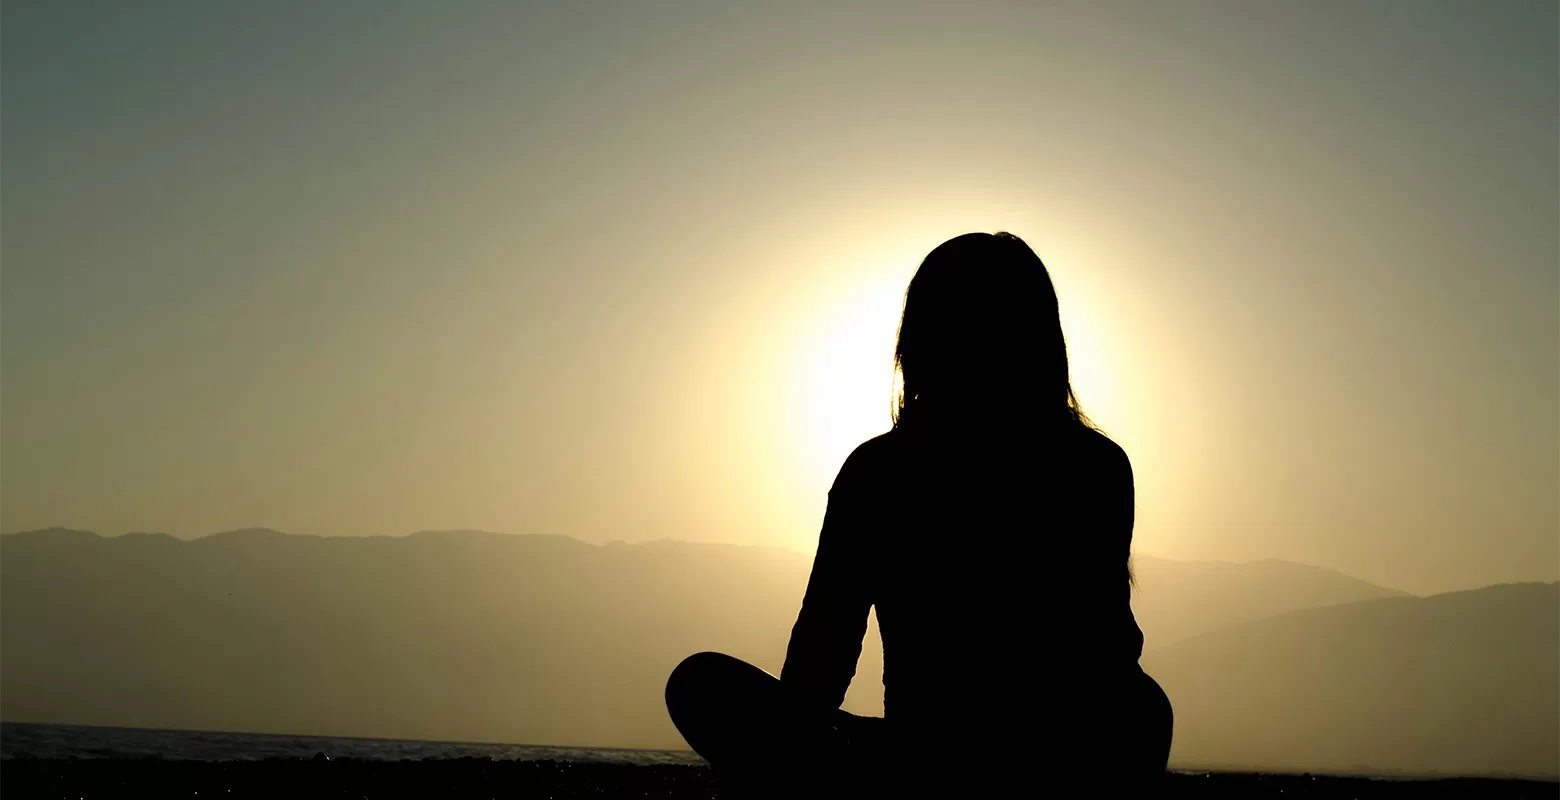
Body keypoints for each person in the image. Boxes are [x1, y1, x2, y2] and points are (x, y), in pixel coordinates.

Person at [666, 232, 1172, 797]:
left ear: (918, 342)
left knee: (701, 686)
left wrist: (791, 752)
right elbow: (1108, 651)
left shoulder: (879, 472)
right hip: (1046, 756)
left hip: (943, 760)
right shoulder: (1095, 465)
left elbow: (820, 661)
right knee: (1144, 708)